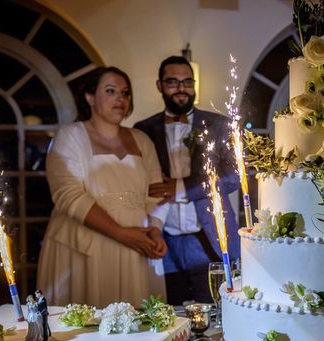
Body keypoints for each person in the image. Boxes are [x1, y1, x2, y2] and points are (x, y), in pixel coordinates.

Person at [37, 66, 168, 307]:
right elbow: (68, 194)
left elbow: (157, 193)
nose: (121, 98)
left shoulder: (142, 140)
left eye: (126, 93)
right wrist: (120, 233)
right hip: (84, 248)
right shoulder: (70, 136)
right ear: (89, 97)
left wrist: (155, 230)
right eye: (111, 91)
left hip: (137, 249)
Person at [134, 56, 240, 305]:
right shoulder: (142, 129)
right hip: (162, 239)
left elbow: (234, 176)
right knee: (169, 314)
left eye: (187, 82)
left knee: (214, 309)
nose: (181, 88)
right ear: (160, 86)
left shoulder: (218, 124)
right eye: (173, 82)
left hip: (207, 237)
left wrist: (181, 188)